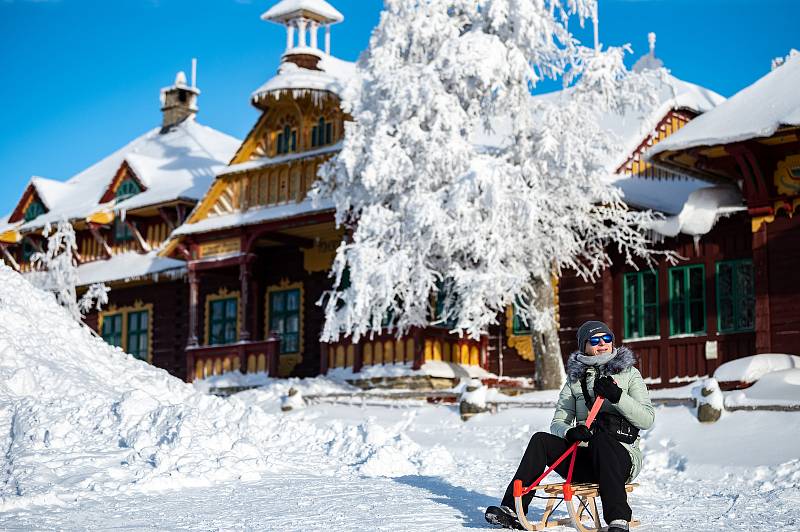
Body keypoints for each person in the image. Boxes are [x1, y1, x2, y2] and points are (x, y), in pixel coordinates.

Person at [485, 320, 654, 532]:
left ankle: (618, 520)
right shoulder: (575, 380)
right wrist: (569, 432)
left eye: (607, 338)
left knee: (601, 440)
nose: (602, 343)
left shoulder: (629, 374)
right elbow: (558, 422)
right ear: (584, 345)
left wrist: (618, 397)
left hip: (621, 460)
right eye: (595, 340)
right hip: (583, 462)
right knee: (540, 440)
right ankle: (511, 510)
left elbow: (647, 420)